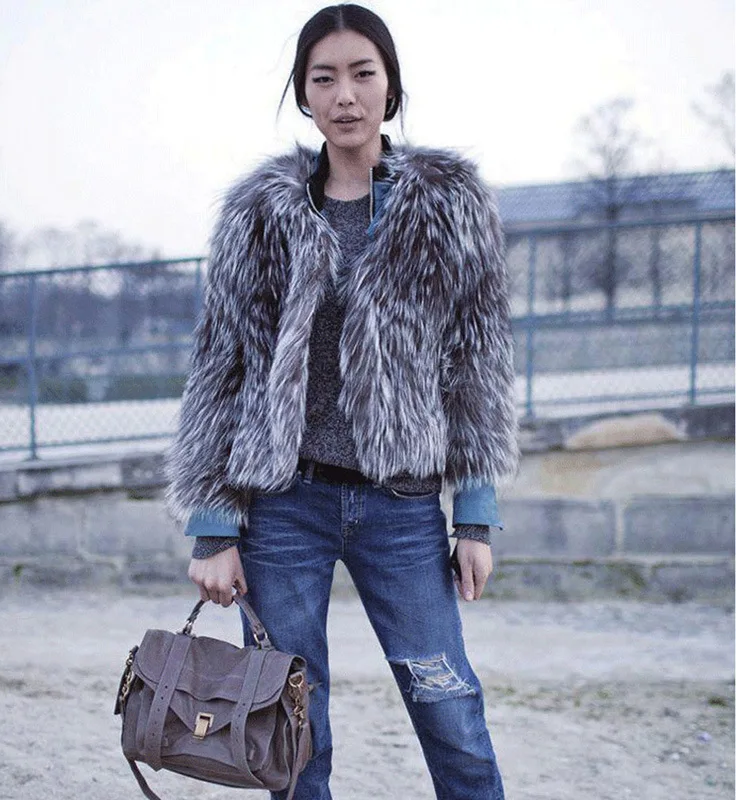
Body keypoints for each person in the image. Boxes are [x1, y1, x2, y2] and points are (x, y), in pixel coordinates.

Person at [165, 5, 518, 799]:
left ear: (391, 87)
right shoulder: (261, 211)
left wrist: (475, 517)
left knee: (449, 706)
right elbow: (220, 369)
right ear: (304, 94)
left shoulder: (450, 202)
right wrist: (214, 527)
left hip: (403, 506)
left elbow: (478, 362)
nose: (345, 95)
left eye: (363, 74)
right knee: (290, 718)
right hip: (284, 505)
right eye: (324, 78)